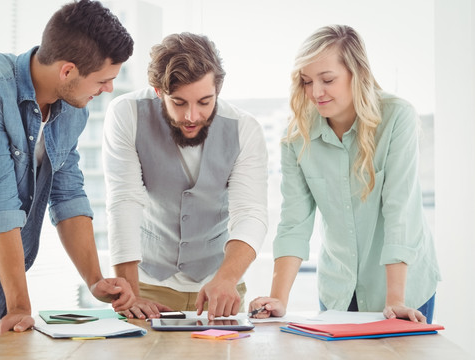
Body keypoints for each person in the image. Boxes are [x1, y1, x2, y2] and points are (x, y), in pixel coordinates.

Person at [0, 1, 135, 358]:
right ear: (68, 70)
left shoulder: (72, 109)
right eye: (104, 79)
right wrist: (19, 308)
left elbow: (68, 193)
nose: (107, 89)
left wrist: (95, 280)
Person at [249, 25, 440, 323]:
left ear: (357, 74)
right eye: (307, 81)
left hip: (402, 287)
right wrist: (278, 298)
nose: (315, 92)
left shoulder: (396, 117)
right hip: (339, 290)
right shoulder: (297, 134)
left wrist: (395, 302)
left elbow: (399, 211)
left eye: (327, 80)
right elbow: (294, 222)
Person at [102, 32, 268, 321]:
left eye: (205, 102)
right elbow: (124, 201)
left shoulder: (245, 129)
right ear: (158, 91)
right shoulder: (127, 114)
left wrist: (227, 279)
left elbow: (250, 212)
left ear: (218, 90)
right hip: (148, 285)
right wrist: (130, 292)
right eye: (179, 103)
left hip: (221, 285)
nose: (192, 116)